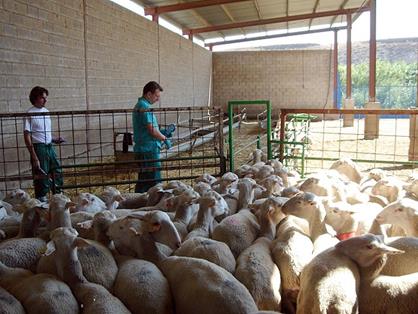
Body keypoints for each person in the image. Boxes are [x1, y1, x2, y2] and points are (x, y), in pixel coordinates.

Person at [23, 86, 64, 202]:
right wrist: (34, 156)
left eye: (46, 98)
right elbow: (27, 135)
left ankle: (58, 195)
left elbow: (46, 131)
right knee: (41, 173)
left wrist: (54, 139)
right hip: (39, 147)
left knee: (56, 169)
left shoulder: (46, 111)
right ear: (35, 98)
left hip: (49, 146)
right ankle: (42, 200)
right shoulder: (30, 113)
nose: (45, 100)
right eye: (42, 98)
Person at [132, 81, 172, 193]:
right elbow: (152, 130)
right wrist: (164, 138)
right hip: (148, 150)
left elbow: (150, 129)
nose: (158, 99)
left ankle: (139, 202)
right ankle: (145, 203)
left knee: (145, 179)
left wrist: (163, 132)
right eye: (157, 96)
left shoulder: (141, 105)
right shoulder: (144, 107)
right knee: (153, 181)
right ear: (149, 94)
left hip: (146, 148)